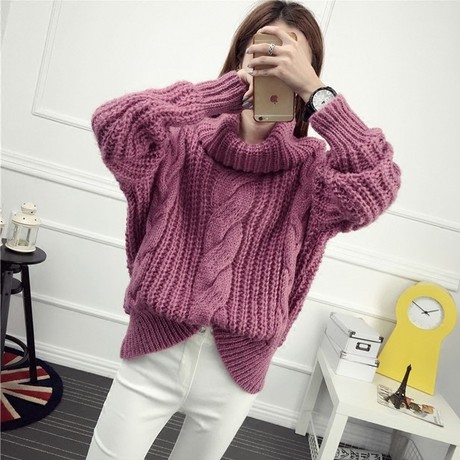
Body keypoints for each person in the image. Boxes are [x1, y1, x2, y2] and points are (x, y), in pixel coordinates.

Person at [86, 1, 401, 459]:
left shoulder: (314, 173)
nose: (277, 61)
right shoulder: (179, 143)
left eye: (293, 55)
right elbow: (115, 126)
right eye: (265, 48)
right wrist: (224, 90)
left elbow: (378, 182)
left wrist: (319, 94)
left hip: (235, 373)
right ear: (241, 54)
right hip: (152, 353)